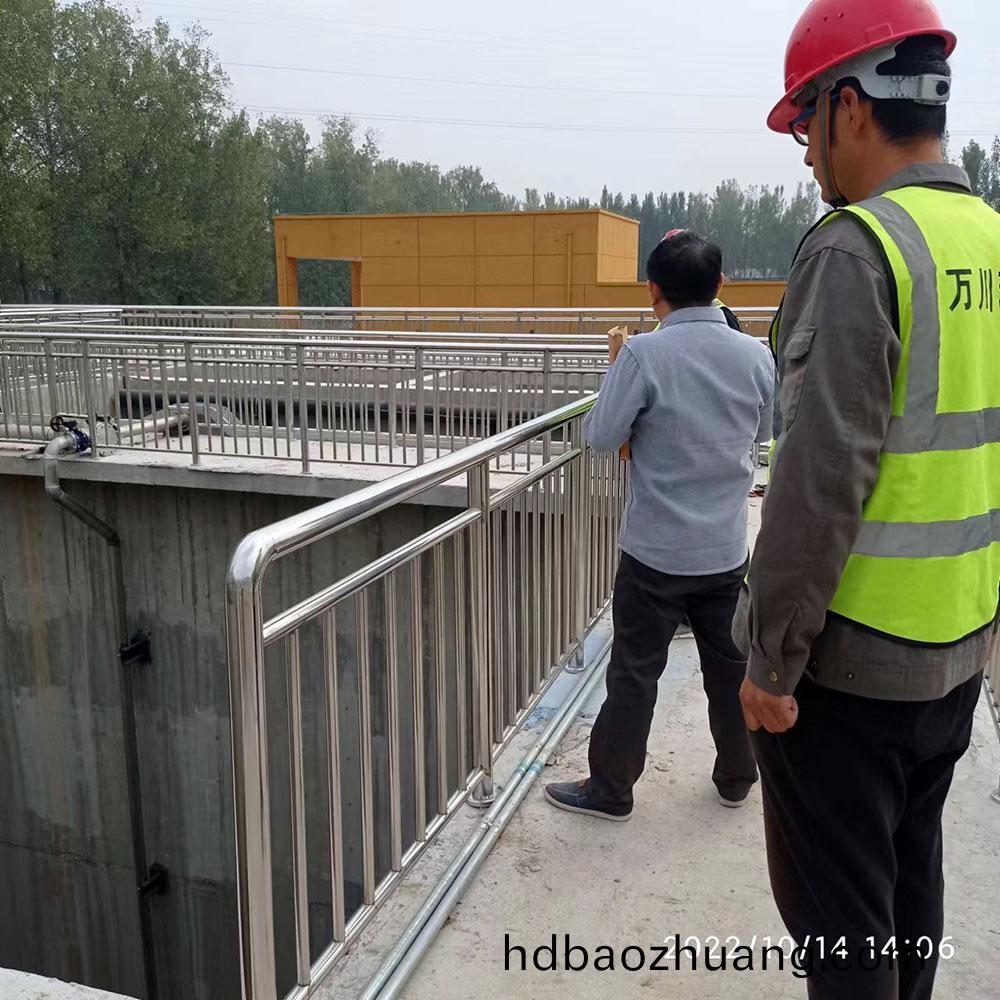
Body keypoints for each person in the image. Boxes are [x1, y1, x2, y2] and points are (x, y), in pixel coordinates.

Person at [737, 2, 1000, 998]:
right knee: (908, 881)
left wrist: (772, 659)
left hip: (848, 671)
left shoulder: (858, 248)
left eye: (806, 122)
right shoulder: (989, 239)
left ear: (850, 107)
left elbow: (818, 479)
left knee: (843, 929)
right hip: (955, 650)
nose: (807, 151)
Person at [544, 230, 775, 819]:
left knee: (634, 673)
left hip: (655, 553)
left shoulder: (643, 354)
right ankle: (737, 776)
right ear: (720, 284)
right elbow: (764, 434)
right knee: (730, 668)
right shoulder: (756, 356)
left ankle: (611, 790)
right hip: (724, 550)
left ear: (653, 291)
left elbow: (601, 436)